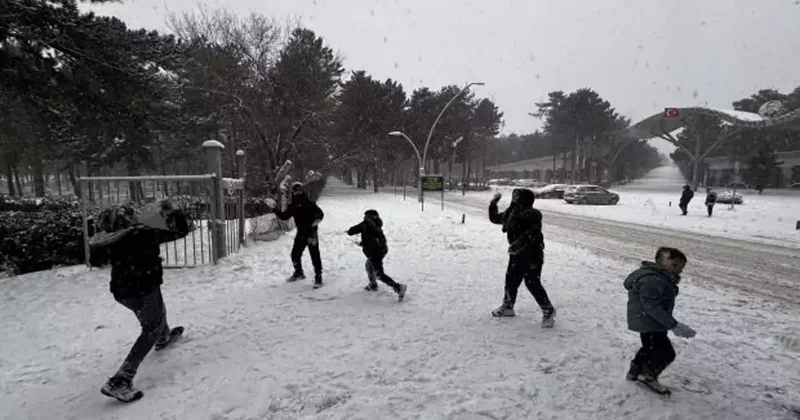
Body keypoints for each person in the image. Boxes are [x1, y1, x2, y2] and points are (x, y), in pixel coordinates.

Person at [89, 202, 191, 403]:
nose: (136, 216)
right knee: (151, 327)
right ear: (127, 220)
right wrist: (174, 212)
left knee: (156, 313)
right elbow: (180, 231)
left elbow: (97, 262)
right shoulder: (142, 233)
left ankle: (163, 338)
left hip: (122, 291)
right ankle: (121, 379)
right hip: (143, 287)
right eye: (132, 215)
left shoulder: (107, 239)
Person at [624, 247, 697, 394]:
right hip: (649, 321)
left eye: (681, 267)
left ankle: (635, 371)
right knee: (666, 353)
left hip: (649, 321)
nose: (678, 270)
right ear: (659, 262)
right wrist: (673, 325)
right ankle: (647, 376)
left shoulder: (660, 277)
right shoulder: (652, 279)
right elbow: (651, 307)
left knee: (649, 348)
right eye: (674, 265)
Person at [488, 188, 556, 328]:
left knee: (532, 282)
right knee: (511, 280)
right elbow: (495, 218)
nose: (514, 198)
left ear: (525, 198)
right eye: (514, 195)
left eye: (517, 196)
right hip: (517, 254)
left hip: (532, 254)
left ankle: (548, 310)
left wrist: (518, 244)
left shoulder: (533, 214)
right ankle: (507, 307)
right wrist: (493, 203)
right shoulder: (511, 212)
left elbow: (533, 233)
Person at [346, 209, 407, 301]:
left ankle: (398, 287)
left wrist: (348, 231)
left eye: (365, 216)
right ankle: (373, 285)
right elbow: (371, 239)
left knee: (379, 274)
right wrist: (363, 243)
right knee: (369, 266)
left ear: (368, 216)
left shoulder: (366, 224)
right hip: (381, 250)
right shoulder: (376, 224)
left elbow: (352, 231)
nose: (364, 218)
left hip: (375, 253)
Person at [275, 182, 325, 288]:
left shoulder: (310, 204)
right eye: (295, 192)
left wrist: (316, 220)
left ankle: (318, 277)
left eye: (299, 191)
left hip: (311, 234)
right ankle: (299, 273)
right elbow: (284, 216)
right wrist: (275, 208)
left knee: (315, 255)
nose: (297, 193)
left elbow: (320, 213)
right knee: (295, 254)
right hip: (301, 234)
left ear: (302, 191)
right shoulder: (293, 206)